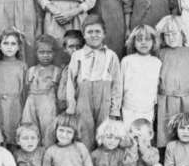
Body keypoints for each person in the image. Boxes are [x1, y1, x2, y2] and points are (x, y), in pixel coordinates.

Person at [63, 15, 122, 149]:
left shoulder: (111, 55)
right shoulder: (77, 55)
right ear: (84, 35)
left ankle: (101, 163)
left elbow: (117, 85)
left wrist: (114, 109)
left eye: (97, 32)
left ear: (104, 34)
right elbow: (71, 83)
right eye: (90, 32)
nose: (94, 35)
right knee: (84, 131)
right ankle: (86, 163)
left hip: (104, 100)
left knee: (104, 131)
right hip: (83, 100)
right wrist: (71, 106)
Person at [154, 16, 189, 148]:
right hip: (166, 99)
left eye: (174, 34)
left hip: (187, 98)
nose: (171, 37)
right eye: (167, 35)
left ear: (182, 34)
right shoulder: (159, 53)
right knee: (166, 132)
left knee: (187, 129)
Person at [21, 34, 65, 149]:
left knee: (48, 132)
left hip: (48, 104)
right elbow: (25, 89)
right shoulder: (31, 71)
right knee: (29, 129)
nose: (45, 55)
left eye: (49, 52)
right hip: (30, 104)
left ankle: (47, 155)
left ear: (54, 53)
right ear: (36, 53)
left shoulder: (57, 71)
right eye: (41, 52)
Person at [118, 25, 162, 128]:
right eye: (139, 39)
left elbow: (157, 87)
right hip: (128, 108)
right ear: (133, 42)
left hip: (148, 109)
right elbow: (119, 85)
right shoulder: (127, 61)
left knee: (144, 136)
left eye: (147, 39)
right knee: (128, 136)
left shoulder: (157, 62)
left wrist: (155, 107)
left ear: (153, 41)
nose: (143, 42)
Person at [0, 30, 28, 145]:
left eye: (13, 44)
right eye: (6, 43)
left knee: (15, 135)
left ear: (18, 47)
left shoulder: (22, 66)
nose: (9, 47)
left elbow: (25, 90)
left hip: (16, 105)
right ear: (0, 47)